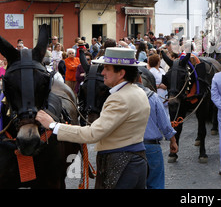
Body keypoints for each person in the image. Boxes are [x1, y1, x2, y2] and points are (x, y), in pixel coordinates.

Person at [36, 47, 150, 189]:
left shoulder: (119, 98)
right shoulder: (138, 91)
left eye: (107, 69)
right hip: (134, 161)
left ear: (121, 73)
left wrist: (53, 125)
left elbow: (92, 134)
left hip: (121, 163)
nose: (102, 73)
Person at [137, 68, 177, 189]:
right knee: (156, 184)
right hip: (152, 147)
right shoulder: (153, 97)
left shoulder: (118, 97)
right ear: (140, 79)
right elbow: (164, 123)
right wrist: (173, 141)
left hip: (130, 147)